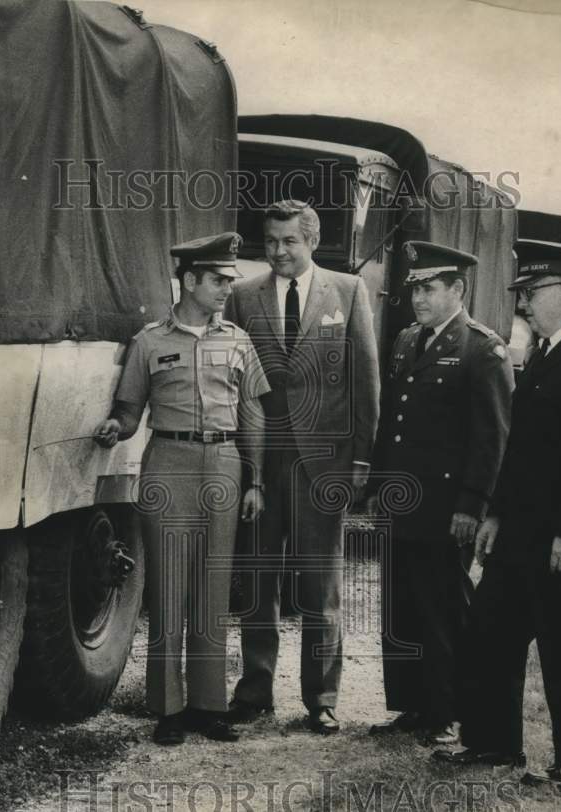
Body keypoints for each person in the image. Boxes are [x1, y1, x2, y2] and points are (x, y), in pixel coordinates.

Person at [435, 240, 561, 796]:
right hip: (522, 536)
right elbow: (519, 451)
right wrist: (495, 515)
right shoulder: (546, 353)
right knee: (491, 636)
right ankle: (493, 741)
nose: (524, 304)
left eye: (534, 292)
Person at [95, 232, 269, 746]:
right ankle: (168, 708)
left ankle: (209, 706)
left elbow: (253, 413)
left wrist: (255, 479)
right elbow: (130, 410)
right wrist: (115, 427)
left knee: (213, 588)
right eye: (217, 280)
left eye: (229, 282)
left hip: (223, 463)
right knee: (168, 587)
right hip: (168, 461)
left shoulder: (238, 339)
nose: (226, 290)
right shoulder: (149, 342)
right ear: (189, 280)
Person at [224, 200, 379, 734]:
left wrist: (361, 460)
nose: (279, 251)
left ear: (311, 240)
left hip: (325, 466)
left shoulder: (350, 292)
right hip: (263, 460)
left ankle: (322, 698)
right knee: (258, 580)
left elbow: (365, 379)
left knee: (320, 587)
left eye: (289, 241)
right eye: (270, 241)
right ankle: (254, 689)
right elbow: (235, 380)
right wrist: (244, 465)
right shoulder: (243, 296)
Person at [367, 241, 513, 744]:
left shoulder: (481, 348)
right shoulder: (408, 340)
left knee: (444, 609)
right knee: (402, 605)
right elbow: (394, 425)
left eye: (430, 288)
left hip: (446, 508)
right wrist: (378, 487)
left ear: (458, 289)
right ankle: (413, 704)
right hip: (402, 502)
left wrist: (473, 505)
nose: (419, 299)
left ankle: (449, 710)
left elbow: (491, 438)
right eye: (415, 289)